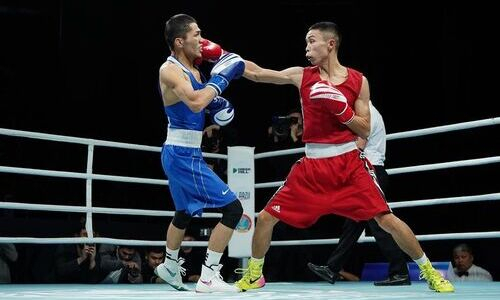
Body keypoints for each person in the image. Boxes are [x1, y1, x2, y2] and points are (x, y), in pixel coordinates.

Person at [199, 21, 453, 293]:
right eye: (306, 42)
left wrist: (341, 109)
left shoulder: (358, 80)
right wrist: (224, 55)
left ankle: (430, 273)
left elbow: (365, 128)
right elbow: (260, 74)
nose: (307, 48)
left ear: (330, 44)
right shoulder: (302, 75)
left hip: (349, 165)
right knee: (266, 218)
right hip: (311, 167)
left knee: (386, 219)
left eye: (312, 41)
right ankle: (254, 275)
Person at [154, 13, 245, 293]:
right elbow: (194, 103)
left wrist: (216, 103)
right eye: (196, 34)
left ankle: (169, 265)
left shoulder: (195, 68)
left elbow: (202, 104)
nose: (202, 39)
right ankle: (209, 276)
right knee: (233, 209)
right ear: (179, 41)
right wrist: (218, 83)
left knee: (183, 213)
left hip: (186, 150)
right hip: (181, 153)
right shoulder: (169, 70)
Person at [307, 101, 411, 286]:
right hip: (368, 171)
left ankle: (400, 272)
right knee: (353, 224)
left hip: (369, 171)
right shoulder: (366, 110)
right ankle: (332, 268)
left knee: (380, 225)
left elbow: (358, 145)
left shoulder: (364, 113)